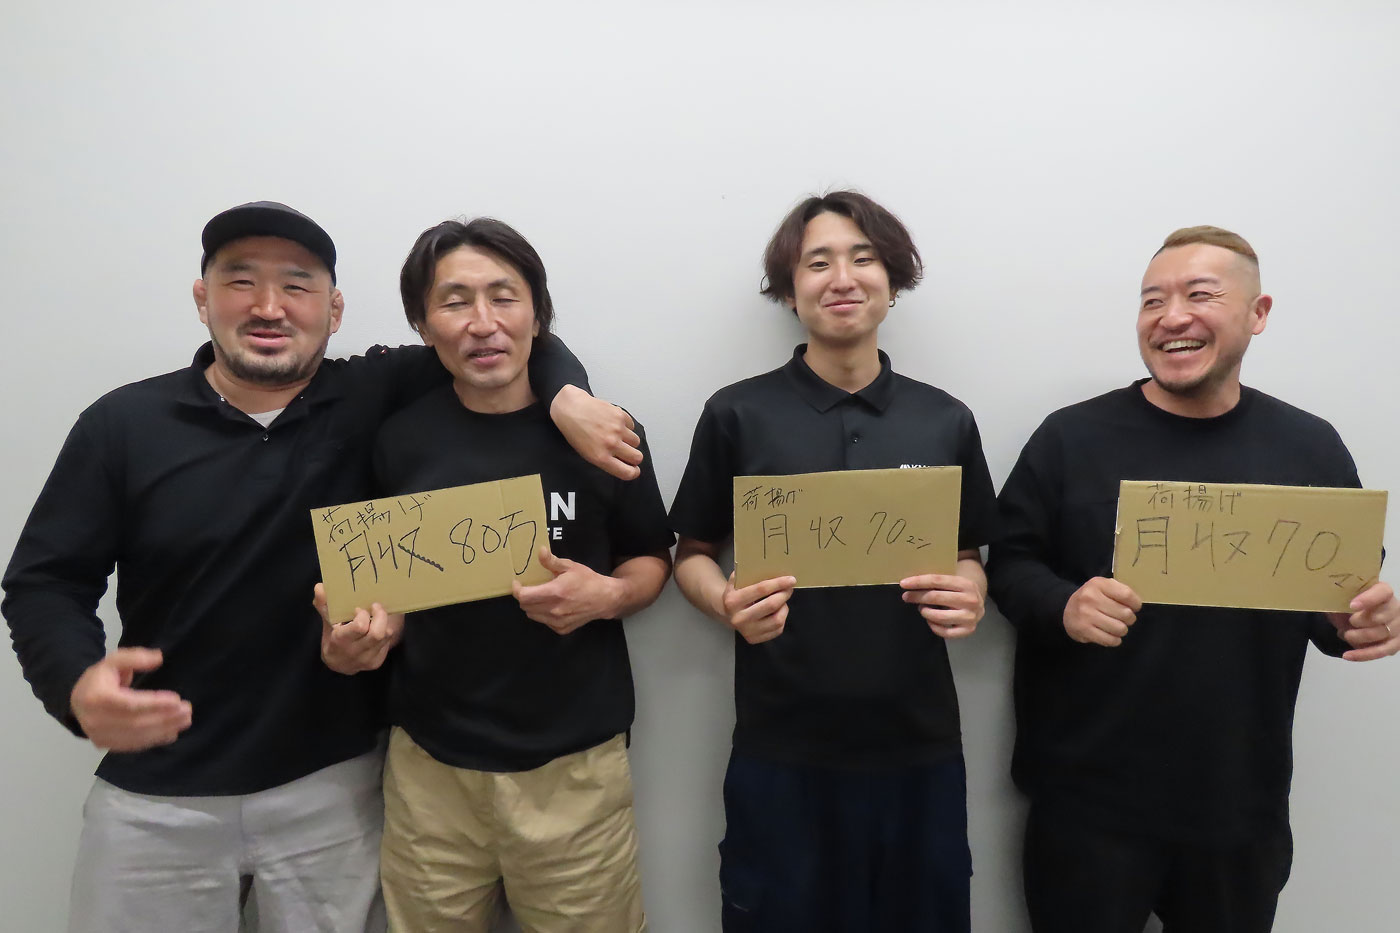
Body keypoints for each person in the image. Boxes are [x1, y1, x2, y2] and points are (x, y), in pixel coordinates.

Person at [2, 201, 641, 933]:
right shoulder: (123, 424)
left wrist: (568, 397)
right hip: (158, 788)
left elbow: (505, 336)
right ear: (202, 297)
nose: (269, 306)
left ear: (334, 311)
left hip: (333, 784)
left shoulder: (374, 396)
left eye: (298, 285)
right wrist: (74, 683)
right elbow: (46, 579)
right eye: (241, 281)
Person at [987, 225, 1400, 933]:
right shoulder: (1070, 438)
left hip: (1238, 802)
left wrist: (1360, 620)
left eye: (1199, 295)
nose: (1171, 316)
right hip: (1087, 801)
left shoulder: (1309, 446)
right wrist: (1063, 604)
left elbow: (1340, 597)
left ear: (1258, 313)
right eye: (1152, 300)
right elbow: (1008, 562)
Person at [315, 216, 673, 931]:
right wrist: (361, 635)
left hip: (574, 766)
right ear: (423, 325)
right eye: (454, 302)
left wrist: (608, 595)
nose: (483, 322)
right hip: (430, 768)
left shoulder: (605, 431)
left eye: (503, 297)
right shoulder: (399, 440)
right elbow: (387, 591)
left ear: (537, 314)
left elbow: (650, 557)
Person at [668, 191, 998, 932]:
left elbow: (967, 551)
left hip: (918, 743)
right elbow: (692, 552)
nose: (842, 278)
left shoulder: (945, 418)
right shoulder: (737, 414)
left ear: (893, 280)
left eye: (863, 258)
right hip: (781, 745)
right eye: (818, 263)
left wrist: (970, 590)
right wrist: (723, 601)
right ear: (790, 290)